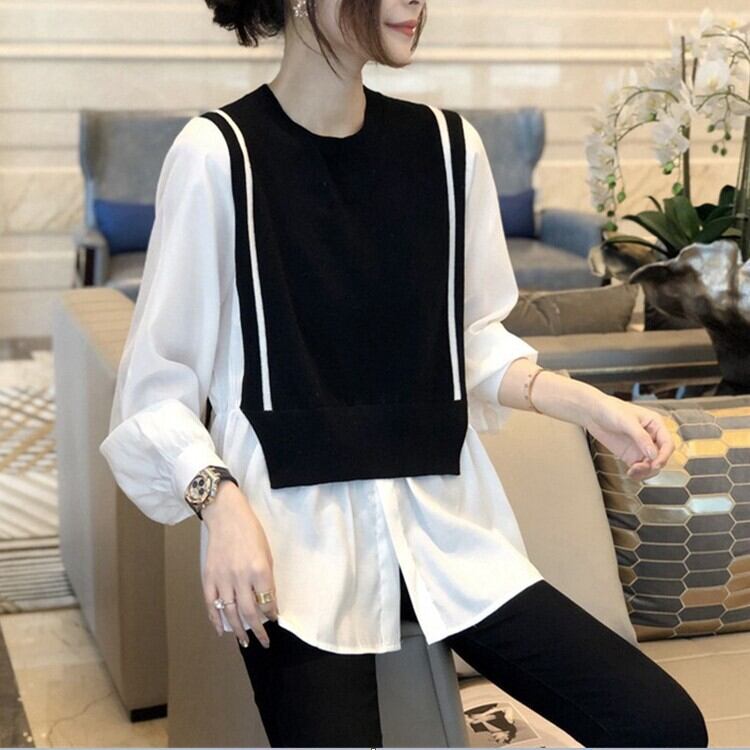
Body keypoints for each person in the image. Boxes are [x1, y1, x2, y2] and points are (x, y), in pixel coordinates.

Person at [98, 0, 710, 746]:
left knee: (663, 726)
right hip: (295, 546)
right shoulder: (218, 155)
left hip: (445, 527)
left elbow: (469, 339)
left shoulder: (449, 149)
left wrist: (590, 406)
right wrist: (219, 504)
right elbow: (158, 384)